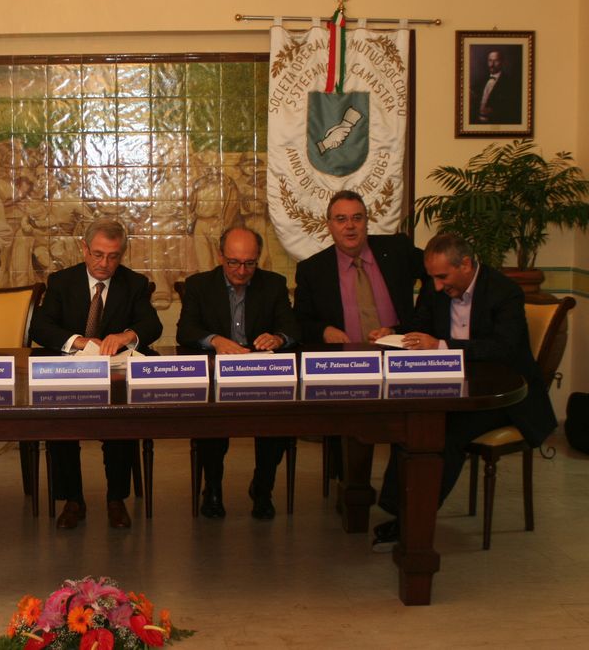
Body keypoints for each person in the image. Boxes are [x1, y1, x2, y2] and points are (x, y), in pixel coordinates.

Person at [371, 233, 557, 550]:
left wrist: (442, 346)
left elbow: (504, 348)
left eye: (443, 277)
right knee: (412, 422)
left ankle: (414, 520)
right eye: (432, 277)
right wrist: (394, 332)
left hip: (503, 395)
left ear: (466, 264)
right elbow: (421, 325)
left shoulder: (504, 292)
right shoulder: (437, 288)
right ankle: (401, 508)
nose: (437, 286)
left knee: (445, 432)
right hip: (453, 387)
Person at [29, 218, 163, 529]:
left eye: (113, 256)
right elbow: (40, 328)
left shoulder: (134, 283)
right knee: (60, 424)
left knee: (119, 423)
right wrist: (79, 341)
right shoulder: (62, 282)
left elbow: (152, 325)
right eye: (98, 254)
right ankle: (73, 500)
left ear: (122, 254)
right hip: (69, 375)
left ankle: (116, 499)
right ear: (85, 249)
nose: (104, 264)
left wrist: (126, 335)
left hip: (114, 377)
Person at [293, 190, 428, 481]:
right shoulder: (312, 270)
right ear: (329, 225)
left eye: (357, 218)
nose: (350, 226)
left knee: (416, 427)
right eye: (341, 219)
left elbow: (436, 274)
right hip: (347, 367)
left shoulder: (397, 250)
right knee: (352, 427)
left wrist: (407, 327)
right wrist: (324, 330)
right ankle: (353, 485)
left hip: (399, 359)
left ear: (367, 221)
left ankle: (402, 485)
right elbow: (299, 322)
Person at [176, 226, 300, 519]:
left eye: (249, 263)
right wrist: (215, 340)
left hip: (261, 374)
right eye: (234, 262)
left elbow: (293, 327)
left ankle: (263, 488)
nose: (242, 271)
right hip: (217, 375)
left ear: (258, 258)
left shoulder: (273, 284)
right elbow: (186, 331)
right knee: (211, 425)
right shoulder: (199, 285)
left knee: (275, 424)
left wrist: (278, 338)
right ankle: (213, 489)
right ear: (221, 256)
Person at [470, 49, 522, 125]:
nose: (492, 64)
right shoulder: (480, 81)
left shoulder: (510, 83)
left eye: (496, 61)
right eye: (490, 61)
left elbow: (513, 108)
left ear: (502, 62)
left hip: (496, 122)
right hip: (476, 122)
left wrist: (494, 111)